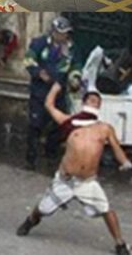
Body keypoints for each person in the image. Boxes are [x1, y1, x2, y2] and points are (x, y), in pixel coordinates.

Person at [16, 83, 132, 255]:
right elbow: (49, 105)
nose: (94, 102)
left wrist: (125, 162)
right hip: (66, 180)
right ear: (84, 103)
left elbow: (117, 148)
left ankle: (120, 244)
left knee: (106, 210)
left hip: (87, 182)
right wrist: (56, 87)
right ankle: (30, 221)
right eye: (91, 99)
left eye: (97, 101)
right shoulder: (69, 122)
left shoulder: (104, 128)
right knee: (43, 209)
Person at [23, 16, 82, 170]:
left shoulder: (71, 48)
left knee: (58, 125)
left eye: (66, 33)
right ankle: (30, 158)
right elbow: (28, 60)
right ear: (53, 32)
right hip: (40, 92)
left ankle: (51, 154)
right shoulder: (40, 43)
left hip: (59, 92)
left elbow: (76, 66)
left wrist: (75, 78)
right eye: (60, 33)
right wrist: (39, 72)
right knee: (35, 125)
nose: (63, 36)